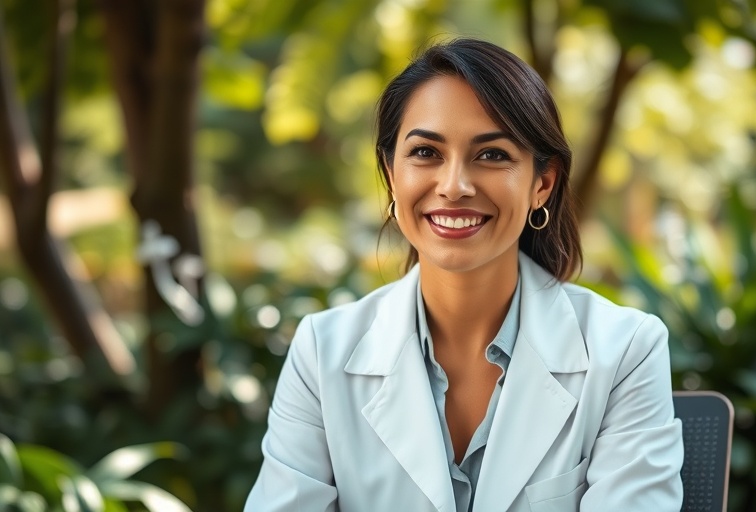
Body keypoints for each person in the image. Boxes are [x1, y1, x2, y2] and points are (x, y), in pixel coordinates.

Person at [244, 38, 683, 511]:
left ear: (542, 183)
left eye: (492, 155)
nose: (454, 186)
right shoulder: (321, 351)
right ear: (392, 174)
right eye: (426, 153)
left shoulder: (625, 352)